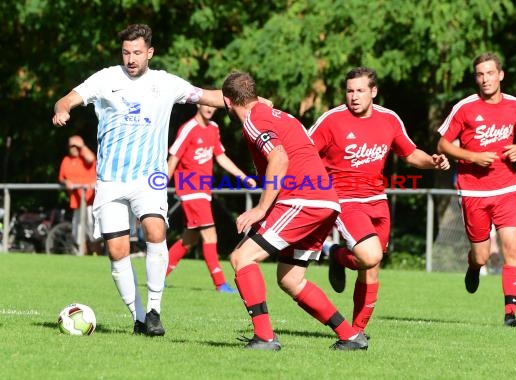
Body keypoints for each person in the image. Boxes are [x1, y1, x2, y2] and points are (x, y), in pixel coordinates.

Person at [52, 24, 228, 337]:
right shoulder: (106, 78)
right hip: (110, 181)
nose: (131, 58)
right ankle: (138, 318)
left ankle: (154, 310)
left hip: (149, 179)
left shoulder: (165, 83)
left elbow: (208, 96)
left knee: (155, 229)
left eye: (137, 52)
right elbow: (67, 99)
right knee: (118, 251)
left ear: (150, 52)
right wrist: (62, 109)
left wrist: (247, 103)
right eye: (126, 52)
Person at [222, 71, 368, 351]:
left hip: (303, 200)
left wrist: (261, 209)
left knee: (242, 258)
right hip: (324, 201)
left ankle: (264, 338)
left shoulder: (253, 121)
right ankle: (351, 336)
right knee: (291, 279)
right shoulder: (274, 113)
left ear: (228, 103)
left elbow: (279, 157)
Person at [308, 66, 450, 338]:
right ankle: (334, 255)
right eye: (350, 91)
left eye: (360, 90)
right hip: (345, 200)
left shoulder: (389, 119)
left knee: (371, 268)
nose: (354, 96)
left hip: (378, 200)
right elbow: (304, 152)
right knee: (370, 255)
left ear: (373, 92)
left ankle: (356, 332)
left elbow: (410, 154)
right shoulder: (331, 120)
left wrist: (432, 161)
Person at [437, 52, 516, 327]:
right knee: (481, 254)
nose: (485, 79)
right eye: (480, 74)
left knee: (511, 247)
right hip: (474, 192)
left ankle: (510, 314)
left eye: (490, 73)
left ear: (500, 75)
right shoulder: (465, 107)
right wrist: (472, 157)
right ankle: (474, 266)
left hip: (507, 189)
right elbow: (443, 145)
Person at [166, 104, 255, 292]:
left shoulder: (213, 128)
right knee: (210, 235)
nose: (209, 109)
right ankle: (220, 283)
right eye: (205, 104)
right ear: (198, 104)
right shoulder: (188, 128)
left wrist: (243, 177)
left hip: (203, 191)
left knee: (189, 240)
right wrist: (160, 185)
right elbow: (173, 158)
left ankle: (159, 276)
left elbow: (220, 157)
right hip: (191, 190)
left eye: (212, 106)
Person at [58, 135, 99, 255]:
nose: (74, 149)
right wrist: (67, 182)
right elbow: (61, 178)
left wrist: (81, 145)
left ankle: (97, 254)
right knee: (78, 231)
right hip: (76, 202)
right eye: (72, 146)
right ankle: (83, 254)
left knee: (92, 229)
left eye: (77, 147)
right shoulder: (66, 160)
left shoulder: (86, 158)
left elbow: (91, 158)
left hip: (90, 201)